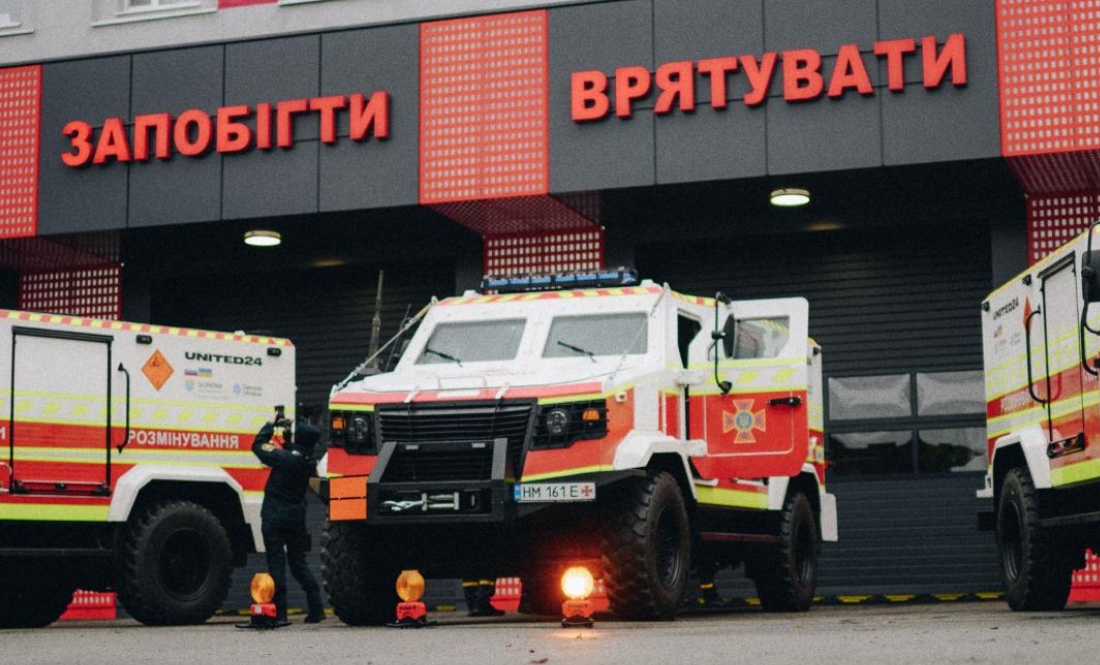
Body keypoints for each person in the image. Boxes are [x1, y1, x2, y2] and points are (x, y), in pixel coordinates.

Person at [252, 414, 326, 625]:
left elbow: (257, 446)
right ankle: (316, 608)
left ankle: (280, 613)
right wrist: (286, 438)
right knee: (298, 564)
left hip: (274, 518)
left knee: (276, 564)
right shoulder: (309, 462)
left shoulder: (282, 457)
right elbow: (296, 451)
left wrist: (270, 424)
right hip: (296, 520)